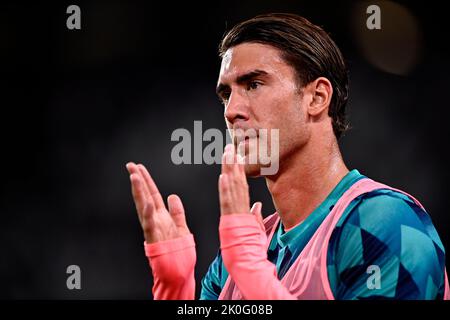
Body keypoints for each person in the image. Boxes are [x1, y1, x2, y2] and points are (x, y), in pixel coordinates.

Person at [126, 13, 449, 300]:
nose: (231, 111)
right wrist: (175, 288)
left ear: (317, 98)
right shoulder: (237, 258)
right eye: (226, 94)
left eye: (253, 84)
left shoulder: (384, 223)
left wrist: (252, 272)